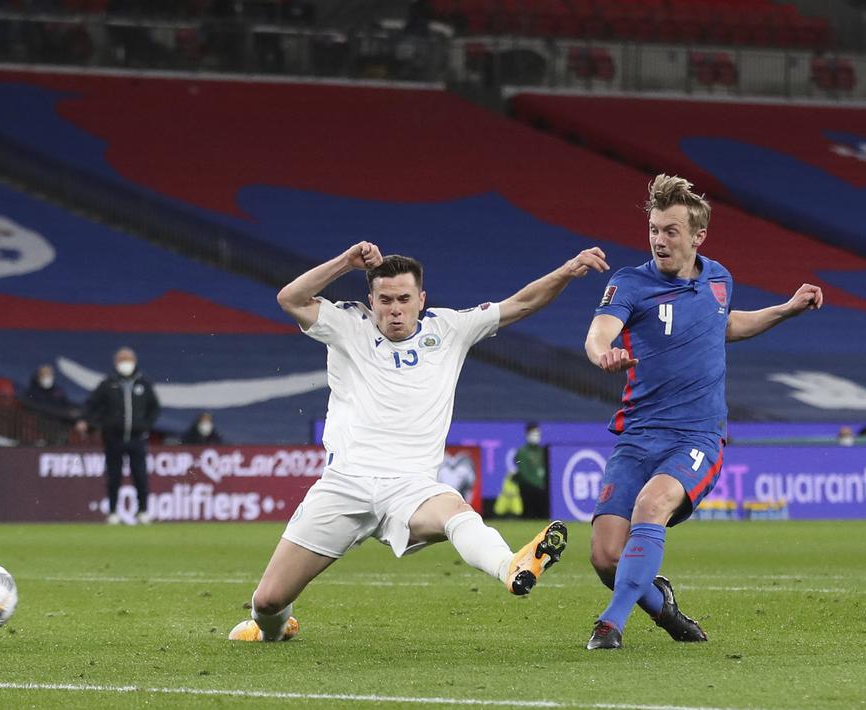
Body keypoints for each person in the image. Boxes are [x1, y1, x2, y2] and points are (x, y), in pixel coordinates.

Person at [228, 240, 609, 642]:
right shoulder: (347, 325)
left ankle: (512, 566)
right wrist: (345, 262)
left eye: (404, 299)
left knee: (455, 511)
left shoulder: (449, 329)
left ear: (421, 299)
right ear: (370, 300)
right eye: (385, 299)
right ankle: (273, 629)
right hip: (344, 485)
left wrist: (566, 271)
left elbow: (521, 304)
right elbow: (290, 297)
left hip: (411, 487)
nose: (395, 309)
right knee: (268, 601)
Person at [583, 175, 822, 651]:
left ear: (698, 237)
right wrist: (602, 352)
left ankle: (609, 625)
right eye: (654, 228)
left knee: (651, 506)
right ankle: (664, 607)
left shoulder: (719, 279)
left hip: (696, 436)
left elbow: (725, 325)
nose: (658, 239)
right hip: (638, 436)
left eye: (671, 231)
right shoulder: (629, 282)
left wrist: (786, 309)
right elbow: (598, 333)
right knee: (607, 556)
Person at [76, 347, 160, 525]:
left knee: (141, 475)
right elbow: (91, 404)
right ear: (116, 362)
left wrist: (146, 425)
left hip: (137, 438)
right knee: (114, 476)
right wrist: (86, 420)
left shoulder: (143, 384)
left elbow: (155, 408)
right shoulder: (108, 384)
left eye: (128, 359)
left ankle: (143, 511)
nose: (125, 363)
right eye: (122, 359)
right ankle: (113, 512)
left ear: (135, 361)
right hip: (113, 437)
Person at [23, 363, 80, 444]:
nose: (47, 377)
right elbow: (39, 407)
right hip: (40, 427)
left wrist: (77, 416)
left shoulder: (58, 391)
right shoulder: (31, 392)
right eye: (44, 374)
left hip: (60, 426)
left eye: (49, 374)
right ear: (38, 376)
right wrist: (65, 413)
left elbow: (66, 405)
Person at [513, 422, 548, 519]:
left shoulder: (543, 451)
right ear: (527, 434)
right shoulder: (522, 452)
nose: (535, 436)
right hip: (529, 488)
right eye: (533, 433)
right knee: (529, 512)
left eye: (537, 433)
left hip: (542, 488)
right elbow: (524, 473)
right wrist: (537, 484)